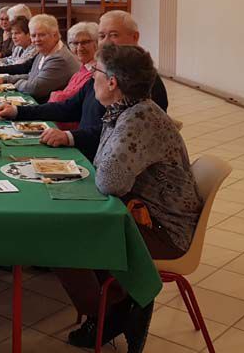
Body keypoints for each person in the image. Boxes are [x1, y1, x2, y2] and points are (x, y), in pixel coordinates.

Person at [58, 44, 202, 351]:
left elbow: (109, 181)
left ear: (112, 82)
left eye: (94, 72)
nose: (89, 78)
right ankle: (117, 305)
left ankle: (110, 314)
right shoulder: (127, 110)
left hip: (162, 230)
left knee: (62, 240)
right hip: (138, 213)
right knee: (68, 225)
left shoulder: (138, 121)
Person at [0, 14, 79, 103]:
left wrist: (13, 84)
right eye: (33, 36)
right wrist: (4, 79)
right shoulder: (45, 50)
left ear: (54, 35)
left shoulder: (59, 58)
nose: (36, 40)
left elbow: (34, 88)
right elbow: (31, 76)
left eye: (42, 35)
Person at [97, 10, 168, 111]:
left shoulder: (144, 79)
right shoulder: (102, 68)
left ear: (135, 37)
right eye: (102, 36)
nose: (105, 42)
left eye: (114, 35)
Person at [47, 21, 99, 109]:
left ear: (97, 43)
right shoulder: (82, 69)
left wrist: (55, 95)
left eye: (85, 42)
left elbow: (66, 101)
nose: (79, 48)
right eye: (75, 43)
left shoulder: (96, 72)